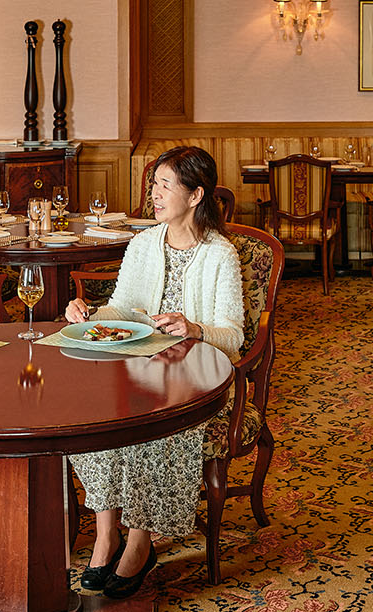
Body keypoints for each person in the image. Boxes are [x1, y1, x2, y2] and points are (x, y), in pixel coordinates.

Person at [64, 145, 244, 599]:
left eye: (165, 185)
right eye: (155, 184)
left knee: (155, 424)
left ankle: (140, 542)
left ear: (196, 195)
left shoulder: (220, 254)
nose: (155, 194)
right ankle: (107, 535)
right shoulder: (144, 243)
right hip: (137, 369)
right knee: (95, 415)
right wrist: (91, 313)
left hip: (194, 380)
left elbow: (234, 336)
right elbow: (123, 308)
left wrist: (195, 328)